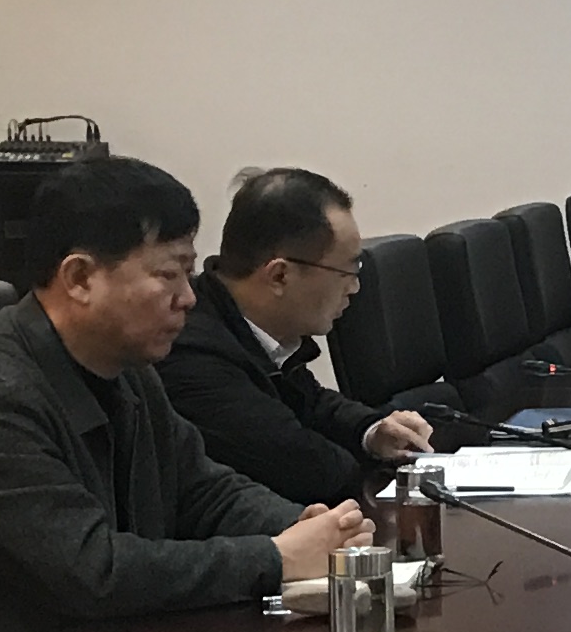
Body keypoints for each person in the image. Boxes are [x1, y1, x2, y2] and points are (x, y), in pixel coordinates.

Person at [0, 158, 371, 632]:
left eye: (188, 273)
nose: (189, 298)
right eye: (167, 275)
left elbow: (200, 488)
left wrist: (305, 527)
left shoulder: (125, 370)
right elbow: (93, 572)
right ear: (80, 279)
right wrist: (274, 557)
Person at [159, 165, 434, 504]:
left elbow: (313, 403)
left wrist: (373, 432)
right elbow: (308, 471)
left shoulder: (251, 327)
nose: (355, 287)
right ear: (279, 276)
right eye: (346, 271)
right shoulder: (192, 354)